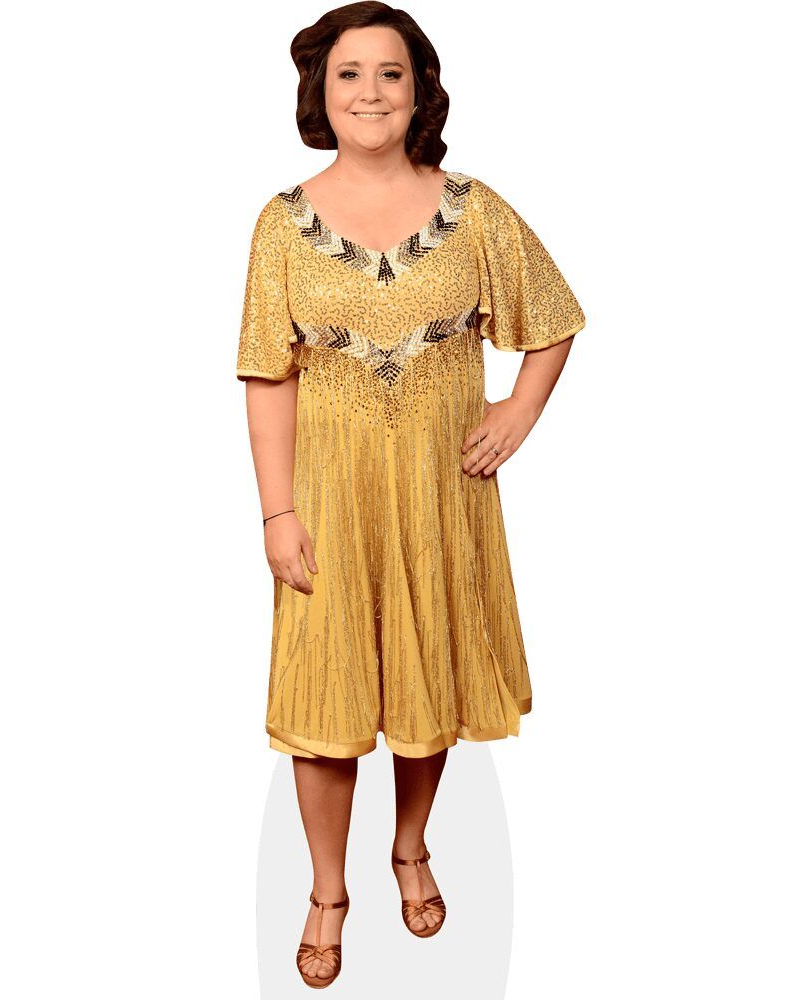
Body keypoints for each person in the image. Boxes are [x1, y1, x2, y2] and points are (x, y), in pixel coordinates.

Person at [235, 2, 586, 988]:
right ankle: (326, 891)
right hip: (329, 497)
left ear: (420, 89)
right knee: (326, 688)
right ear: (320, 92)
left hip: (440, 492)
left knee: (426, 676)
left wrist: (519, 409)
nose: (370, 93)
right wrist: (277, 512)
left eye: (390, 73)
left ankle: (411, 844)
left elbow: (553, 319)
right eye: (348, 74)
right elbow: (267, 374)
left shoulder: (474, 211)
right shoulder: (281, 223)